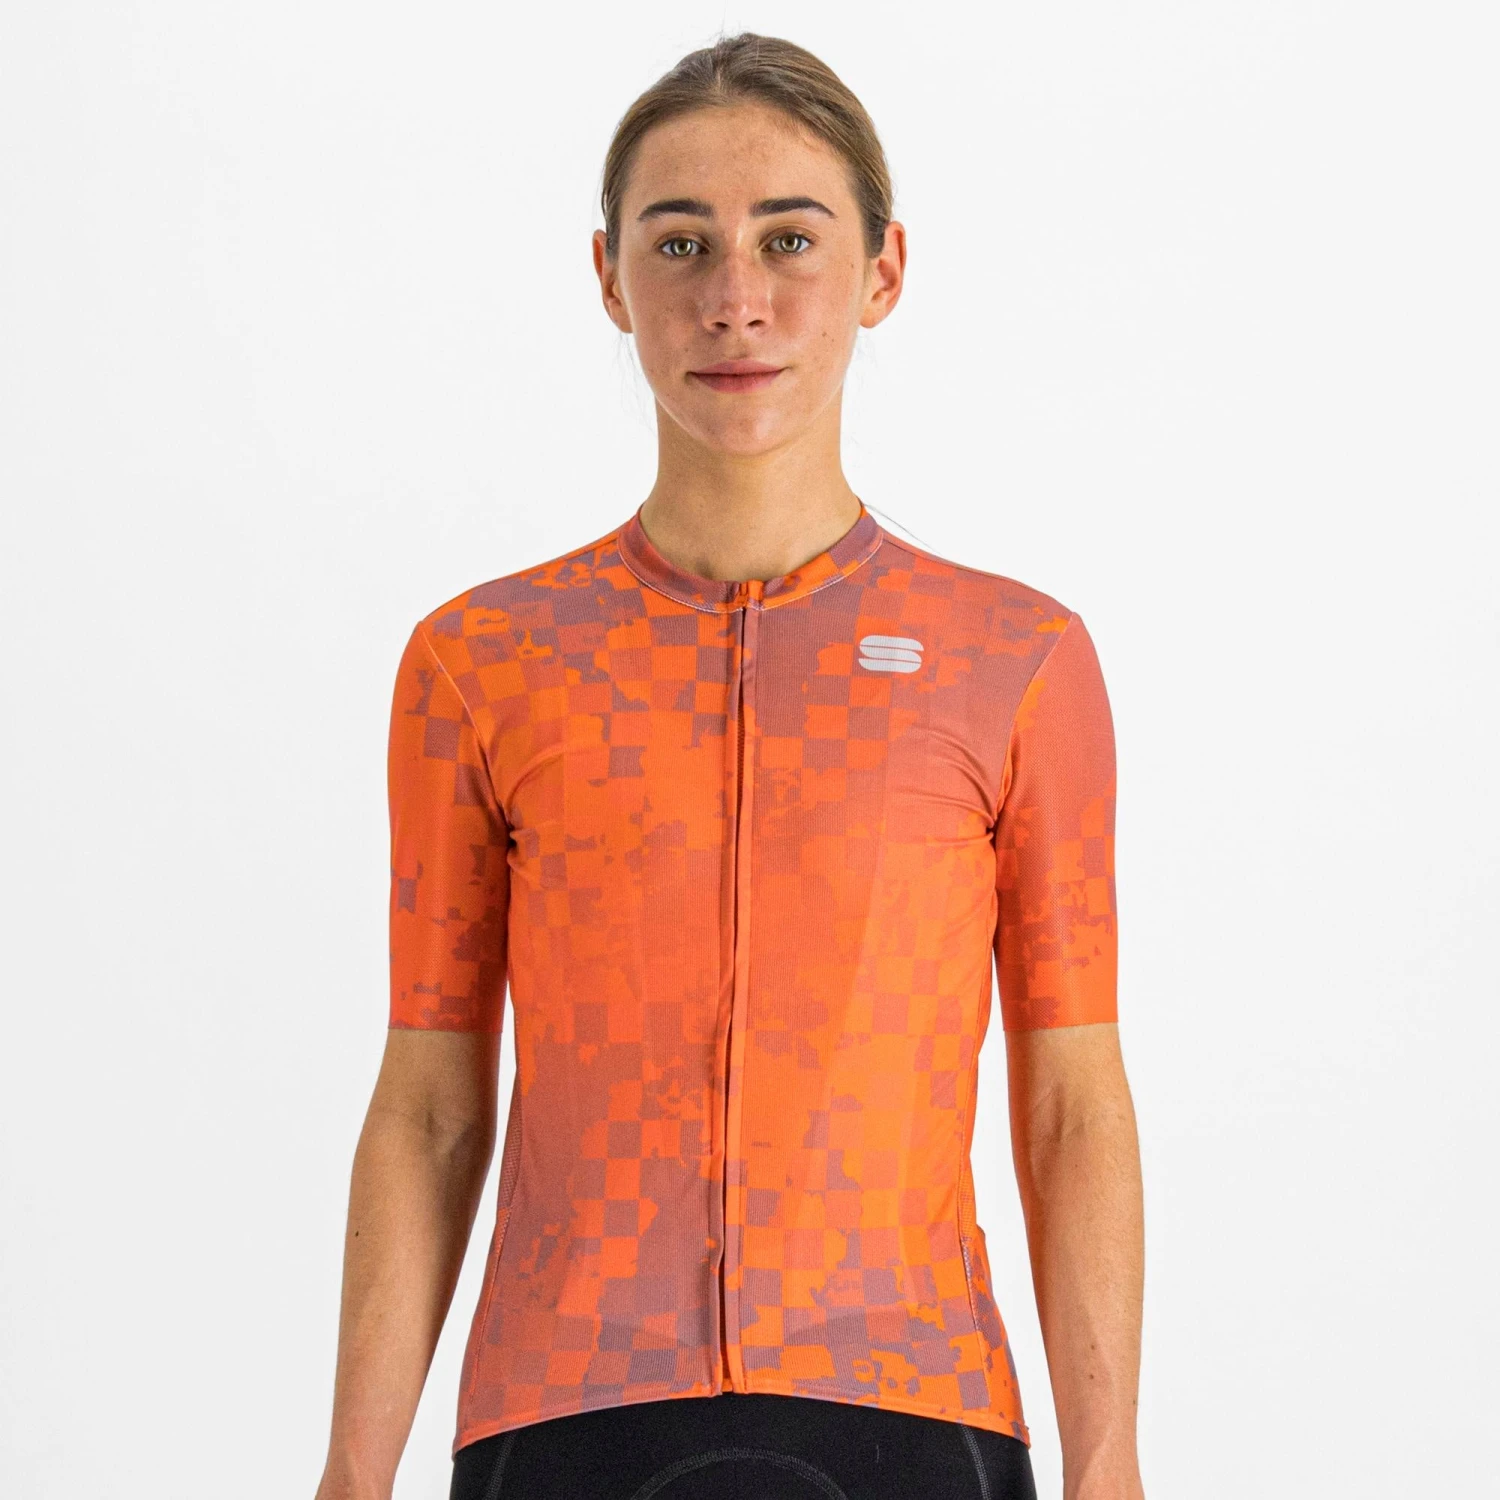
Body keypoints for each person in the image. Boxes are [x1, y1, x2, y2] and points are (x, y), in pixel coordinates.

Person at [314, 33, 1145, 1500]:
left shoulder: (1013, 659)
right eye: (681, 241)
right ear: (609, 276)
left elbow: (1071, 1099)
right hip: (564, 1417)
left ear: (883, 272)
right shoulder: (482, 661)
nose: (735, 299)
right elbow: (430, 1101)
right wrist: (350, 1471)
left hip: (911, 1413)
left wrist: (1112, 1463)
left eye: (790, 240)